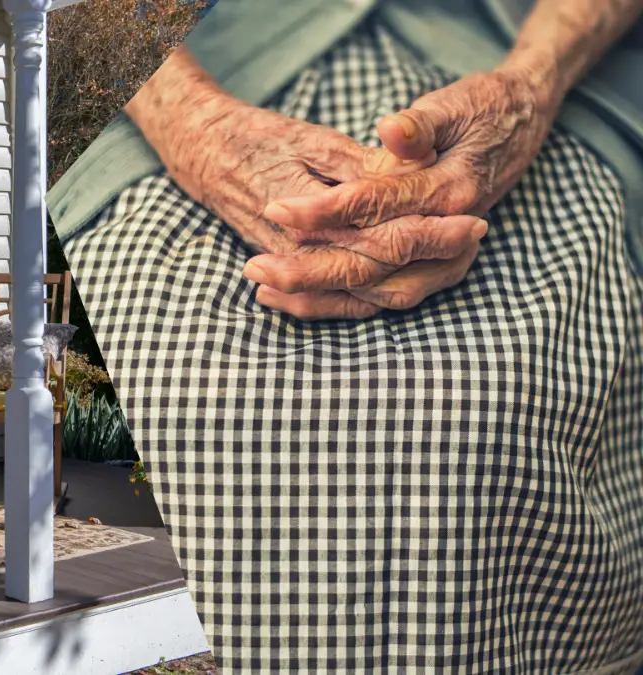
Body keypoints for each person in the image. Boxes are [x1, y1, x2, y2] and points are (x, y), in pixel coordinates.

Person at [46, 0, 643, 672]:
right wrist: (196, 123)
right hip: (177, 80)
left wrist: (531, 86)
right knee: (196, 404)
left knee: (484, 422)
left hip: (534, 54)